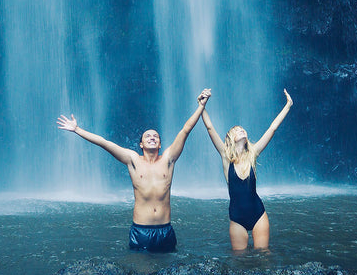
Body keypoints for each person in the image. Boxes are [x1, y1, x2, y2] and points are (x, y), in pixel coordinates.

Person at [56, 88, 210, 253]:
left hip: (165, 229)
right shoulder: (133, 160)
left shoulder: (168, 159)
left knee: (169, 271)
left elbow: (185, 130)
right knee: (140, 271)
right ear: (141, 145)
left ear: (160, 145)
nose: (152, 137)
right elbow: (104, 142)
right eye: (148, 136)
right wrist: (77, 129)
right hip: (141, 230)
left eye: (156, 136)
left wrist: (201, 106)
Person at [200, 88, 292, 250]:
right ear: (230, 139)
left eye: (242, 128)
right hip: (237, 218)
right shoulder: (225, 157)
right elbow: (209, 128)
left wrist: (288, 105)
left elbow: (272, 128)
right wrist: (202, 106)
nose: (241, 129)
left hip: (258, 214)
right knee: (239, 261)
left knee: (263, 256)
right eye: (236, 130)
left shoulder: (253, 153)